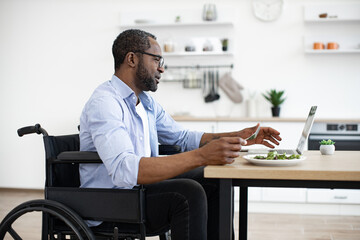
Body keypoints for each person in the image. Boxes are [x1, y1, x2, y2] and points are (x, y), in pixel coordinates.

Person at [79, 29, 282, 240]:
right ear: (132, 58)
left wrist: (240, 135)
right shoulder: (105, 102)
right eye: (156, 59)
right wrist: (201, 156)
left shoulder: (147, 103)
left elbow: (182, 138)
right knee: (188, 192)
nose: (161, 68)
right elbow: (124, 169)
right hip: (111, 203)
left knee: (215, 179)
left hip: (139, 192)